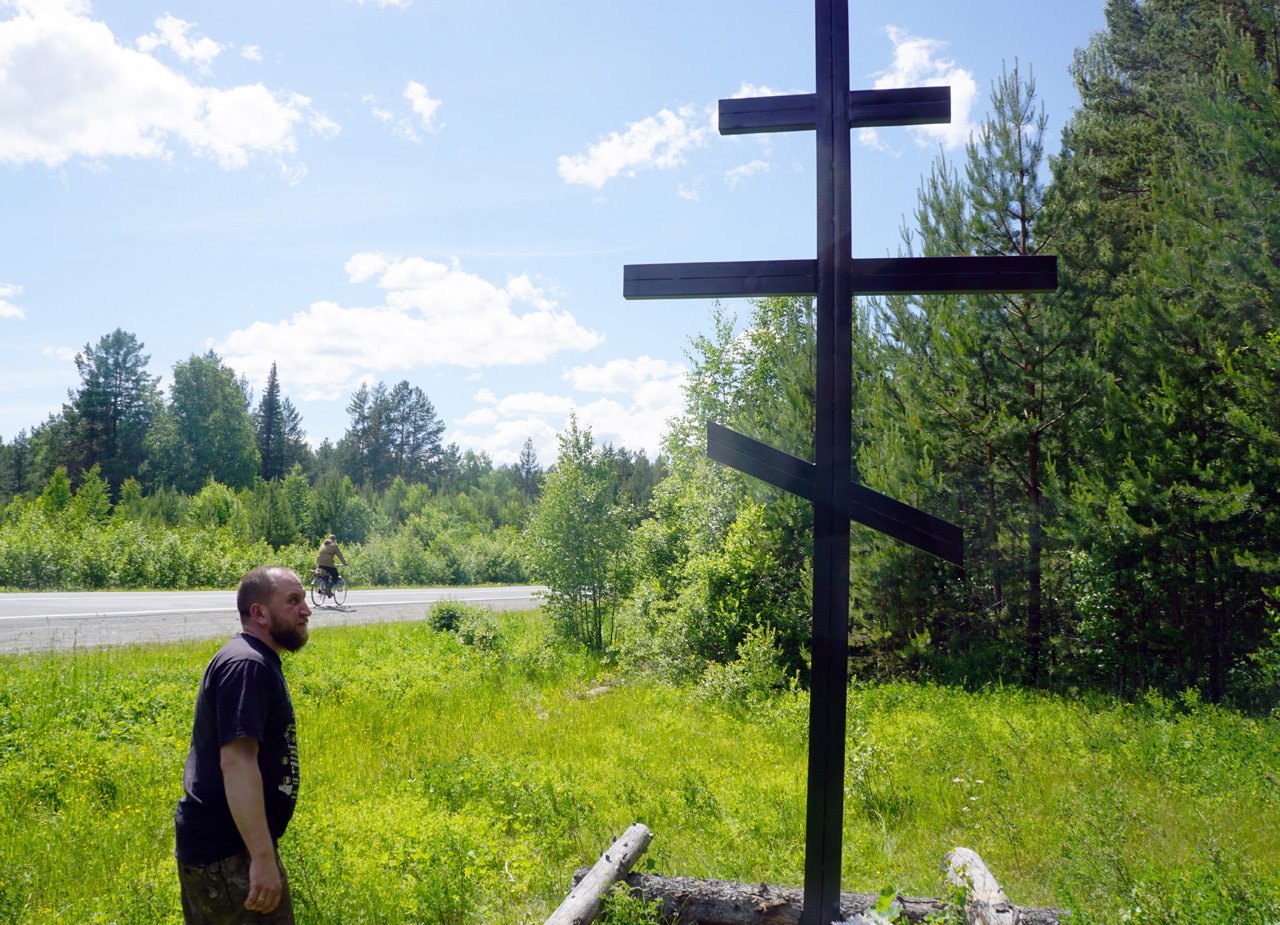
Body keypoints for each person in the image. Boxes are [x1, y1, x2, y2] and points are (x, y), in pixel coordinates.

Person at [174, 566, 312, 924]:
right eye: (293, 601)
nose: (306, 610)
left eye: (305, 599)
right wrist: (262, 858)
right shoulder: (246, 665)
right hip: (229, 853)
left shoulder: (255, 659)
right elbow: (237, 763)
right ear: (259, 613)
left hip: (237, 847)